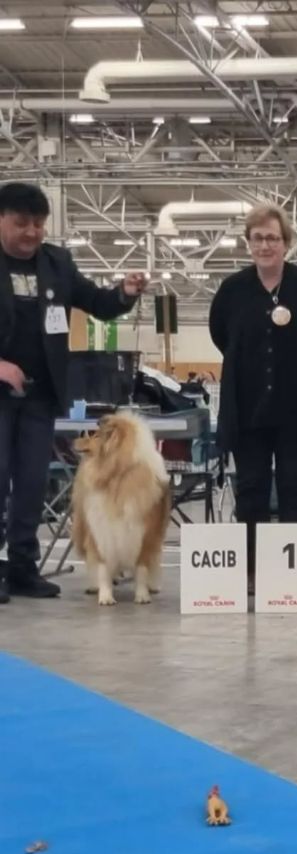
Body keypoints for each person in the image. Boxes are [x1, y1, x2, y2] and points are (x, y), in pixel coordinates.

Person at [0, 181, 145, 603]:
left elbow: (97, 302)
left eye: (39, 224)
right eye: (21, 223)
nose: (31, 233)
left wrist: (124, 293)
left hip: (41, 396)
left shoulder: (57, 264)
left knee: (31, 484)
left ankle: (23, 567)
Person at [209, 203, 297, 589]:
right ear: (248, 243)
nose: (265, 245)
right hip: (247, 411)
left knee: (294, 488)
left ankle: (292, 574)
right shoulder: (232, 290)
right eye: (258, 238)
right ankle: (250, 570)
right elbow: (222, 336)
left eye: (273, 238)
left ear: (287, 243)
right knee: (249, 489)